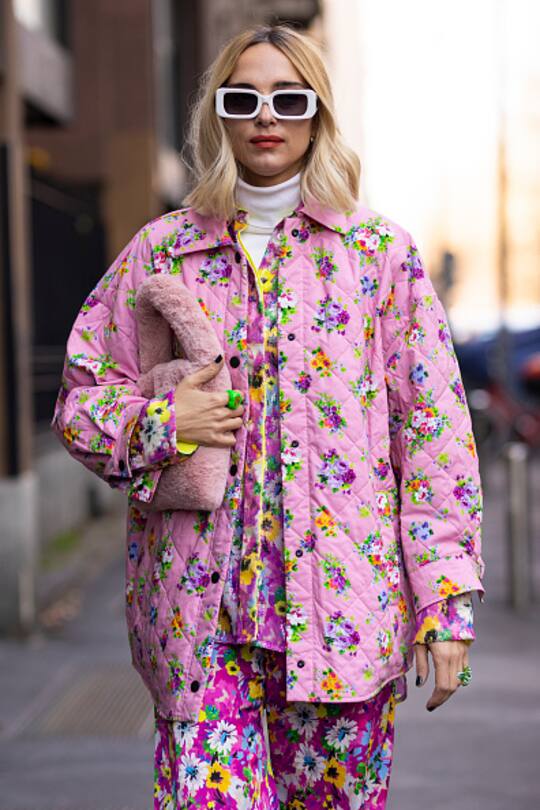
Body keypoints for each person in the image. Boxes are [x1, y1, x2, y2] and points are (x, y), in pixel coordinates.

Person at [51, 23, 485, 810]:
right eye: (243, 98)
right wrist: (160, 421)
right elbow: (79, 402)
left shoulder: (378, 255)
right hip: (201, 624)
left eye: (289, 98)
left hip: (344, 623)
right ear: (218, 113)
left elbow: (433, 438)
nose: (266, 116)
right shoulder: (160, 254)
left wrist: (445, 605)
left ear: (317, 113)